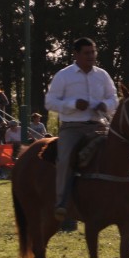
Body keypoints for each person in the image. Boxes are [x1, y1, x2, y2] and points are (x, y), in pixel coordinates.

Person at [45, 38, 117, 219]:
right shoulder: (64, 75)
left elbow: (114, 98)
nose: (91, 56)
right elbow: (50, 102)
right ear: (76, 54)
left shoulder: (102, 75)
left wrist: (105, 105)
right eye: (86, 53)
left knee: (126, 153)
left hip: (100, 126)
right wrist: (73, 104)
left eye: (93, 52)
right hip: (72, 128)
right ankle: (61, 202)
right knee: (65, 159)